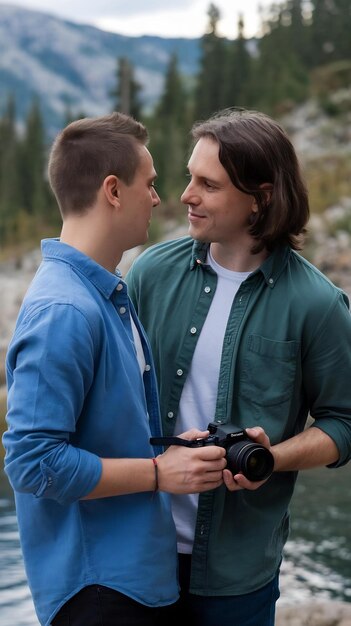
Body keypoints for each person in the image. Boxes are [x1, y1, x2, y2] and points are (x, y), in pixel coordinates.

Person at [126, 107, 351, 626]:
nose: (185, 195)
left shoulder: (317, 304)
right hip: (137, 553)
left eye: (208, 184)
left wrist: (272, 458)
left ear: (261, 198)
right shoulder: (150, 274)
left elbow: (344, 423)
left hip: (237, 577)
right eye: (189, 177)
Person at [2, 112, 227, 626]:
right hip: (98, 593)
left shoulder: (104, 294)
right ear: (112, 190)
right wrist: (156, 473)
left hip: (131, 583)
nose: (158, 198)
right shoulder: (65, 311)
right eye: (148, 184)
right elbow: (32, 463)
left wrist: (172, 451)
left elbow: (104, 431)